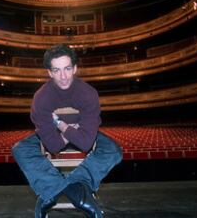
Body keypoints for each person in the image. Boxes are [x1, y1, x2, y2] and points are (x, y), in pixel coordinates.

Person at [12, 44, 122, 218]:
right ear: (49, 72)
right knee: (20, 149)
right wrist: (71, 131)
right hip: (62, 136)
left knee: (114, 150)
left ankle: (55, 190)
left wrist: (62, 126)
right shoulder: (41, 98)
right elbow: (53, 145)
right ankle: (76, 191)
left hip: (80, 135)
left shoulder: (88, 93)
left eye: (67, 69)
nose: (63, 76)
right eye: (56, 70)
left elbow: (86, 143)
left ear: (75, 68)